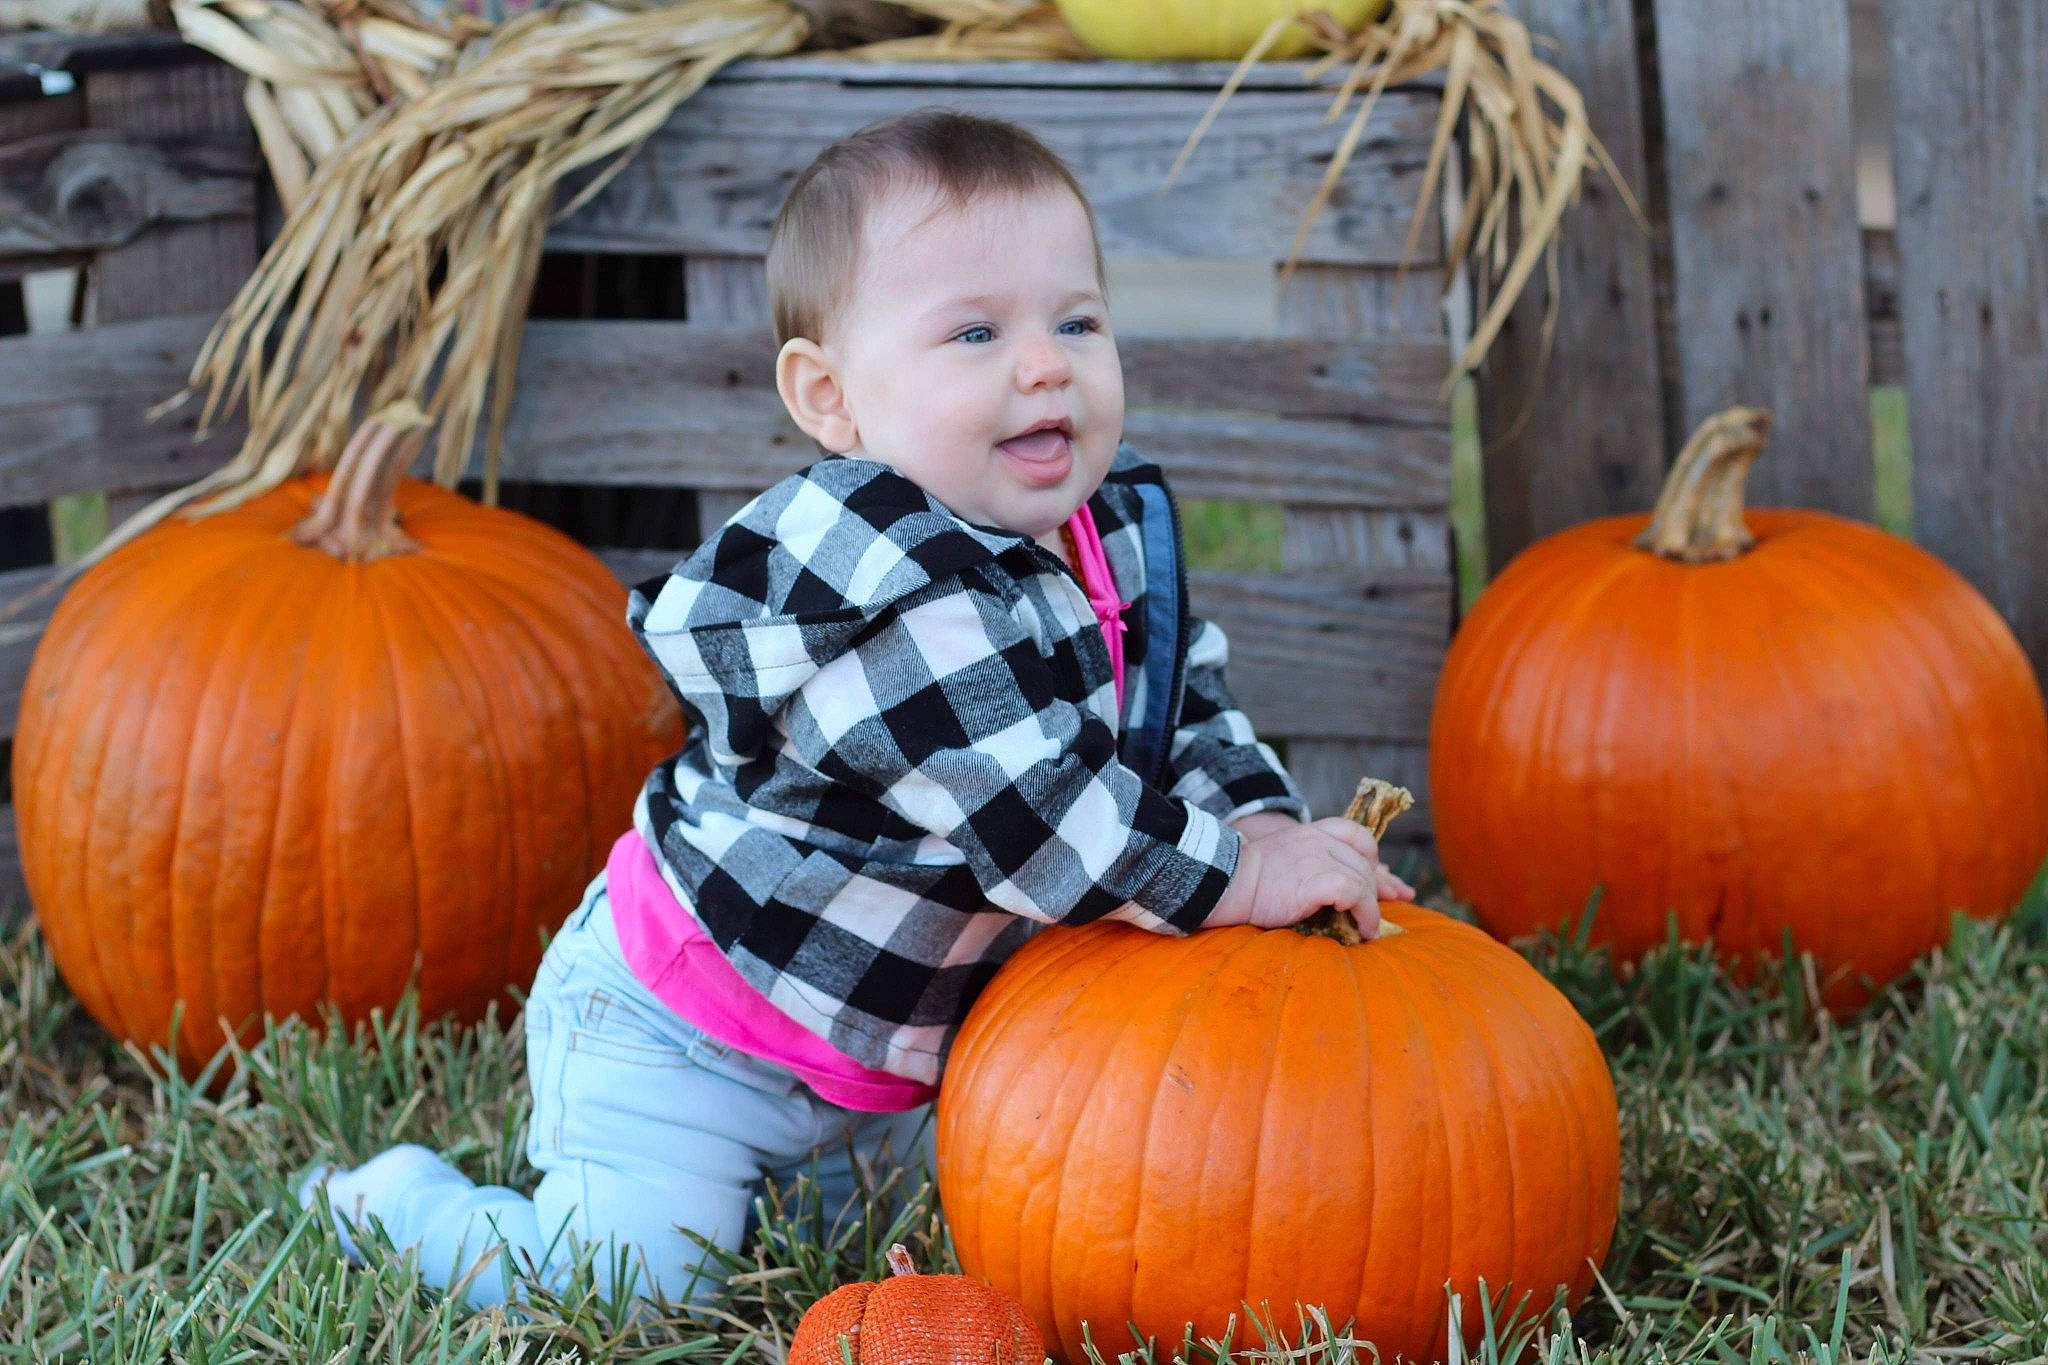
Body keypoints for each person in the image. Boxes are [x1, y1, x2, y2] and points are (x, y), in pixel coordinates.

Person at [300, 106, 1414, 1312]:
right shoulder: (887, 591)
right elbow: (1044, 825)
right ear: (830, 399)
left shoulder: (1105, 531)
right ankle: (402, 1209)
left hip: (885, 1060)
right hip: (687, 1038)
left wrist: (1276, 832)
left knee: (1040, 1235)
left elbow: (1179, 708)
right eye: (975, 331)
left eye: (1076, 322)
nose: (1044, 363)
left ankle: (795, 1181)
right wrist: (1238, 879)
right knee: (627, 1289)